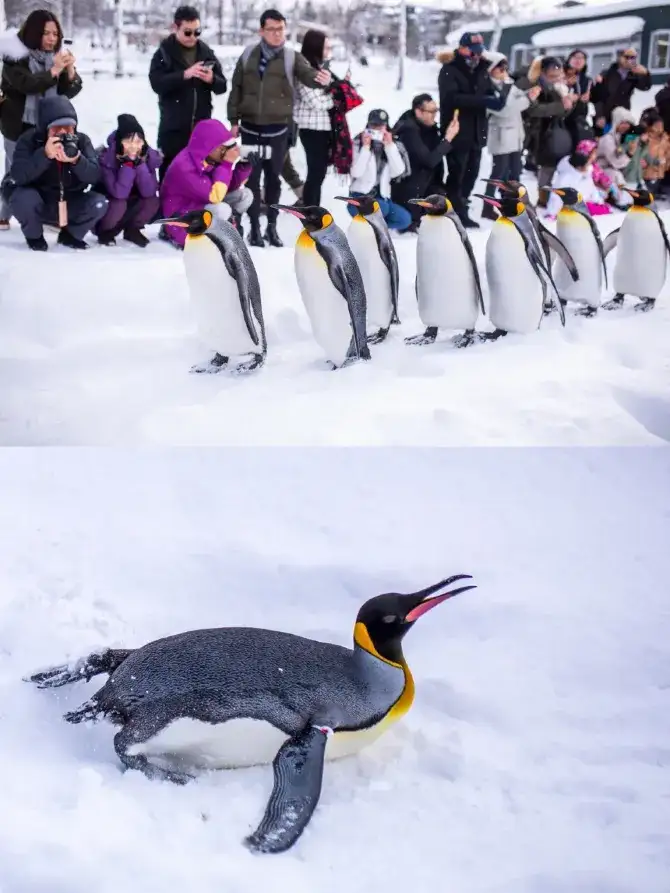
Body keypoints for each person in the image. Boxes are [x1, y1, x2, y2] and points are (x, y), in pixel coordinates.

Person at [226, 8, 331, 248]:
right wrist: (233, 121)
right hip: (251, 128)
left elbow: (308, 75)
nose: (276, 34)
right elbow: (236, 89)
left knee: (273, 180)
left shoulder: (292, 57)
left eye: (280, 29)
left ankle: (271, 228)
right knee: (252, 181)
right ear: (261, 31)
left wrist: (321, 79)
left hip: (278, 130)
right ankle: (254, 229)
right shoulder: (248, 55)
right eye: (271, 29)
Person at [0, 9, 82, 230]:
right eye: (46, 33)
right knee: (15, 170)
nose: (52, 39)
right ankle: (3, 212)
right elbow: (28, 84)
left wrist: (70, 68)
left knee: (46, 169)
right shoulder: (13, 57)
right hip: (18, 123)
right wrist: (55, 69)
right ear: (34, 32)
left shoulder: (53, 58)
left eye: (55, 34)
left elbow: (67, 91)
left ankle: (45, 214)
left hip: (47, 124)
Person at [3, 95, 106, 250]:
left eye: (69, 128)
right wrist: (45, 155)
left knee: (99, 203)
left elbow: (95, 175)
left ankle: (70, 236)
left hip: (69, 200)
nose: (63, 134)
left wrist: (77, 161)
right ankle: (34, 237)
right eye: (57, 129)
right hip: (39, 201)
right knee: (22, 199)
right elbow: (18, 175)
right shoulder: (29, 140)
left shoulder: (82, 141)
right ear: (45, 129)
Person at [149, 5, 227, 183]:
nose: (193, 37)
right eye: (188, 32)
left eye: (197, 32)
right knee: (171, 174)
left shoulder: (206, 52)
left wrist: (212, 79)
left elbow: (222, 86)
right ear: (175, 28)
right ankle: (167, 210)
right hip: (173, 127)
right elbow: (156, 83)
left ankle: (195, 210)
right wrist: (184, 75)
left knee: (199, 175)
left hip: (201, 127)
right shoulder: (164, 53)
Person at [437, 33, 505, 228]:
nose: (475, 55)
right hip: (457, 129)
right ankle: (454, 210)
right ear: (462, 48)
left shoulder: (482, 68)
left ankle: (462, 205)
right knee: (457, 173)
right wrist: (483, 101)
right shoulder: (449, 70)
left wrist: (494, 97)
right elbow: (452, 98)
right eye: (472, 50)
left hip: (477, 131)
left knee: (472, 172)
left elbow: (486, 90)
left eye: (478, 50)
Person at [159, 118, 253, 250]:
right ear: (211, 147)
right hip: (181, 217)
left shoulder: (209, 158)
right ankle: (171, 233)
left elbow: (225, 187)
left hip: (201, 203)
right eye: (225, 147)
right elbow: (214, 196)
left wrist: (244, 167)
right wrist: (227, 164)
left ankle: (231, 226)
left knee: (245, 195)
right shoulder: (184, 167)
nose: (228, 151)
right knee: (222, 209)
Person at [480, 52, 540, 218]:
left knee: (515, 171)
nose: (503, 70)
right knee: (498, 173)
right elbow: (505, 110)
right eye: (500, 66)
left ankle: (516, 204)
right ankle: (487, 207)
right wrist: (528, 98)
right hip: (500, 135)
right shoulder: (485, 87)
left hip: (515, 135)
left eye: (505, 66)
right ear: (490, 69)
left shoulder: (508, 83)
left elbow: (516, 100)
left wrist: (529, 94)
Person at [516, 56, 578, 208]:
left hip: (549, 133)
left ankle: (546, 199)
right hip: (529, 131)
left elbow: (562, 113)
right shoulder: (529, 84)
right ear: (542, 72)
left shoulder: (557, 87)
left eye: (558, 75)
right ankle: (518, 200)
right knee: (517, 169)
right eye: (552, 76)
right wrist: (561, 106)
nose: (556, 79)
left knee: (549, 165)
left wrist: (569, 104)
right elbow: (533, 110)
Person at [95, 114, 162, 247]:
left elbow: (149, 191)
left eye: (138, 142)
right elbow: (119, 193)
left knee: (152, 201)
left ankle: (133, 229)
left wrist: (140, 165)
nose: (134, 146)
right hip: (110, 203)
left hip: (133, 201)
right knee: (119, 204)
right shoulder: (108, 158)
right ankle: (105, 232)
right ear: (120, 142)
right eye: (128, 141)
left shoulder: (147, 157)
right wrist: (128, 166)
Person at [391, 95, 457, 229]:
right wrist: (448, 139)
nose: (434, 115)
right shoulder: (409, 130)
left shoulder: (428, 127)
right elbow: (428, 161)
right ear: (418, 111)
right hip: (410, 189)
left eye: (436, 111)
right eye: (431, 112)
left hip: (425, 184)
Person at [347, 108, 411, 231]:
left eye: (381, 126)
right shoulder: (357, 142)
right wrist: (365, 148)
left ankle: (374, 227)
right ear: (368, 125)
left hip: (381, 197)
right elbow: (356, 172)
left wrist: (389, 146)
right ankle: (371, 228)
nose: (377, 129)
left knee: (404, 219)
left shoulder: (393, 144)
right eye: (374, 125)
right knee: (381, 208)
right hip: (359, 197)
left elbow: (398, 171)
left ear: (386, 126)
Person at [293, 28, 334, 208]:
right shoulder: (305, 70)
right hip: (311, 128)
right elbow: (315, 101)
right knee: (316, 172)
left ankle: (312, 207)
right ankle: (310, 209)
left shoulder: (320, 69)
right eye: (325, 48)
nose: (328, 52)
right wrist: (334, 97)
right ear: (315, 48)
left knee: (320, 173)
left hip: (322, 128)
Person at [590, 48, 652, 133]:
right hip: (606, 116)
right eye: (627, 57)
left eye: (633, 58)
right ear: (619, 58)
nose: (630, 60)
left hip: (622, 116)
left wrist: (645, 74)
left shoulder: (633, 75)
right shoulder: (607, 73)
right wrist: (599, 115)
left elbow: (645, 87)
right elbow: (597, 97)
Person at [596, 106, 638, 188]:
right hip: (599, 173)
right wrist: (630, 153)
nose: (626, 126)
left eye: (628, 123)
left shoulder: (618, 137)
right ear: (616, 122)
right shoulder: (607, 139)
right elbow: (616, 162)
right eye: (623, 123)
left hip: (609, 173)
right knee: (618, 178)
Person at [562, 49, 594, 146]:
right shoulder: (560, 74)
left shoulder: (587, 80)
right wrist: (566, 84)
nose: (578, 60)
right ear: (569, 59)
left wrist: (586, 98)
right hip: (561, 115)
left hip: (578, 117)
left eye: (581, 58)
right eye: (575, 57)